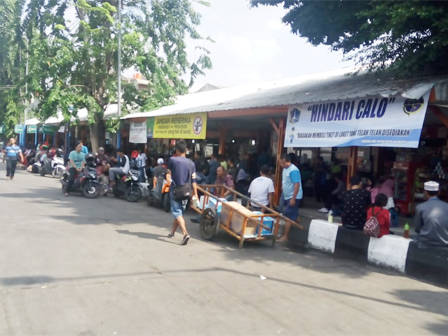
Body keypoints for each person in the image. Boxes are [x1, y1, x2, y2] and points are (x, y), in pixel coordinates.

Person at [167, 139, 198, 246]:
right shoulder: (191, 163)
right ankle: (172, 232)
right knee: (179, 213)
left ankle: (185, 234)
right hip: (187, 192)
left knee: (177, 213)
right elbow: (194, 181)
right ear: (186, 150)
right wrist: (196, 194)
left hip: (175, 190)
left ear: (176, 150)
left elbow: (168, 173)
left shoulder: (172, 160)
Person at [414, 181, 448, 248]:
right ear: (439, 192)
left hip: (426, 242)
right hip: (445, 241)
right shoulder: (446, 206)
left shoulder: (420, 207)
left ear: (425, 192)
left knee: (414, 238)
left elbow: (417, 228)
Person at [277, 153, 303, 243]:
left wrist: (293, 198)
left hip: (294, 196)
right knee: (292, 213)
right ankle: (298, 223)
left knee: (287, 216)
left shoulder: (293, 170)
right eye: (280, 163)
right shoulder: (285, 169)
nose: (281, 165)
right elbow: (286, 180)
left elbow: (297, 184)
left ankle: (285, 236)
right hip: (287, 195)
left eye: (283, 163)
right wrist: (283, 187)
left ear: (288, 162)